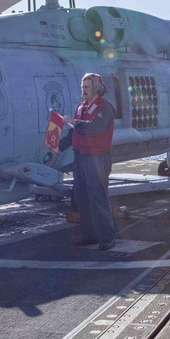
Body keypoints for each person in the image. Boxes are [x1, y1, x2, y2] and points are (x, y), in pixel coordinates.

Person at [64, 73, 117, 250]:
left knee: (98, 197)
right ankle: (90, 235)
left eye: (86, 87)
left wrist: (73, 121)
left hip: (98, 158)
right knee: (82, 197)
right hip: (80, 156)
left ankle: (107, 237)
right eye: (82, 87)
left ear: (97, 89)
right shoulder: (81, 107)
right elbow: (75, 131)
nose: (83, 91)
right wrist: (58, 145)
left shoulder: (104, 108)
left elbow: (94, 128)